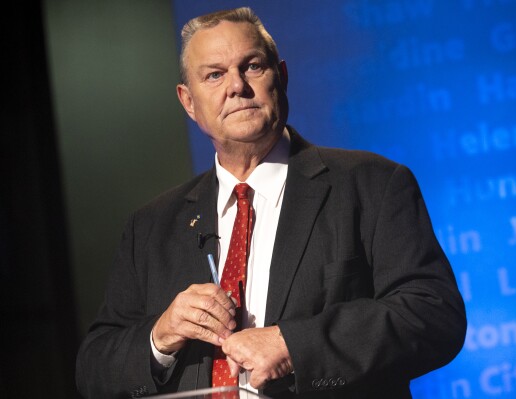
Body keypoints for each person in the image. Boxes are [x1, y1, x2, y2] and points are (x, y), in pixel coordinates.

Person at [76, 7, 466, 399]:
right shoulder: (150, 227)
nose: (237, 87)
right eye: (214, 75)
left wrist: (293, 347)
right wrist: (160, 337)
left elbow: (433, 315)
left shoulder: (371, 185)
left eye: (252, 67)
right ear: (188, 102)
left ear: (281, 75)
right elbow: (94, 370)